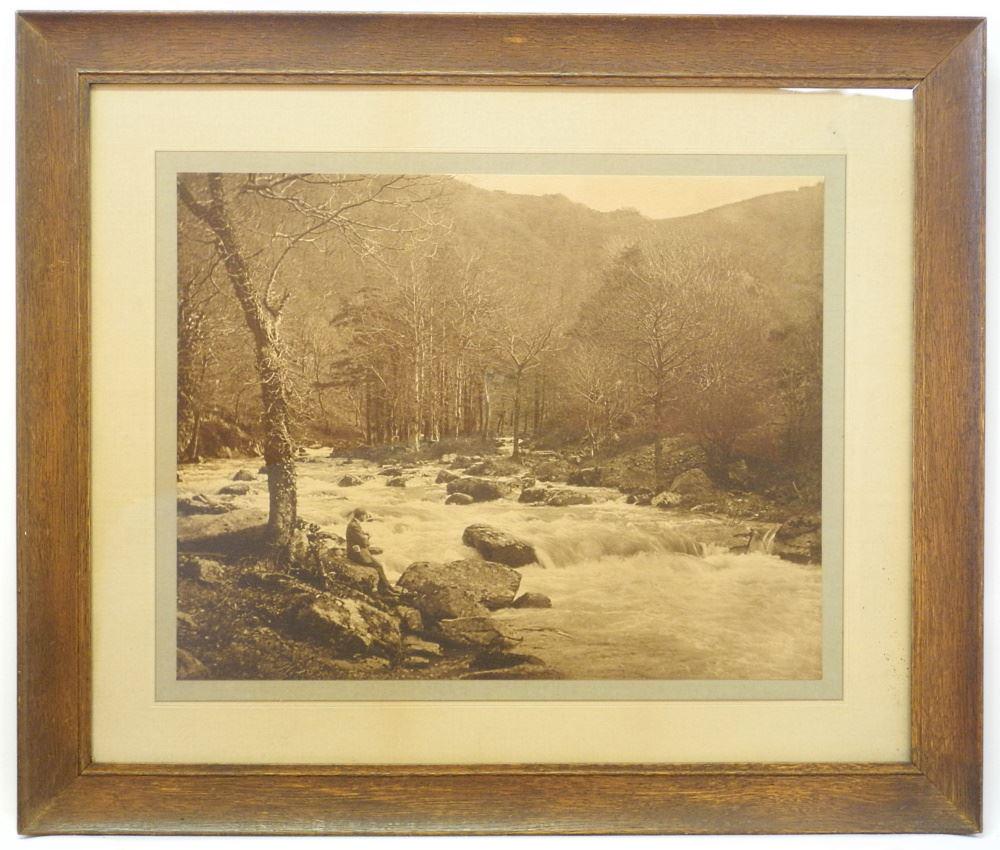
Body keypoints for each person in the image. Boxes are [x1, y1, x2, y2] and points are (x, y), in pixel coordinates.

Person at [346, 507, 399, 597]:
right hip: (356, 553)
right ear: (361, 516)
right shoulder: (354, 526)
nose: (366, 517)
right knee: (378, 566)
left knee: (378, 565)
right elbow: (363, 541)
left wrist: (364, 535)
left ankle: (386, 588)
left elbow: (359, 537)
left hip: (357, 550)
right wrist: (367, 537)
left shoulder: (354, 524)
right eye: (365, 515)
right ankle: (386, 588)